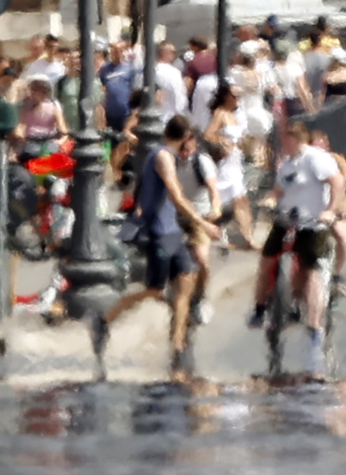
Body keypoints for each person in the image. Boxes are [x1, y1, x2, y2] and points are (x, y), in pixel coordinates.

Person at [100, 115, 221, 377]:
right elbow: (176, 196)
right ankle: (106, 319)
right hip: (159, 232)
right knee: (154, 290)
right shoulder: (163, 156)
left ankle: (177, 348)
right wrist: (203, 223)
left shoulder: (165, 155)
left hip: (172, 231)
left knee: (187, 279)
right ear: (186, 137)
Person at [247, 123, 345, 376]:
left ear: (294, 138)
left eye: (285, 138)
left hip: (313, 224)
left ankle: (315, 333)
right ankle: (260, 308)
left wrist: (330, 210)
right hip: (286, 221)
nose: (282, 143)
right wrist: (270, 200)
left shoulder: (315, 159)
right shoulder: (288, 164)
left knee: (312, 274)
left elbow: (337, 182)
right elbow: (279, 189)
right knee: (267, 259)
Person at [204, 84, 258, 249]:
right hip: (225, 166)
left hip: (236, 163)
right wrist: (222, 142)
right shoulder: (220, 114)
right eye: (234, 96)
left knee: (242, 200)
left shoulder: (234, 115)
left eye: (239, 96)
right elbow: (208, 134)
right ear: (226, 97)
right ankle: (203, 231)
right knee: (224, 202)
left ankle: (248, 237)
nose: (237, 99)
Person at [176, 132, 223, 322]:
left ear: (194, 147)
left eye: (187, 150)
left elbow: (213, 189)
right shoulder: (170, 160)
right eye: (181, 149)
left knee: (202, 259)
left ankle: (201, 297)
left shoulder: (201, 162)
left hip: (201, 217)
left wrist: (216, 208)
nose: (184, 154)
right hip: (177, 215)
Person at [309, 130, 346, 291]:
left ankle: (337, 273)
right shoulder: (303, 162)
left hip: (337, 207)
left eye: (321, 146)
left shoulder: (336, 160)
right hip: (312, 208)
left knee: (341, 236)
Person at [13, 75, 69, 160]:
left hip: (49, 142)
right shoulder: (23, 106)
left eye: (42, 91)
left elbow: (64, 130)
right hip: (30, 142)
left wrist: (59, 142)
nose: (36, 93)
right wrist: (21, 138)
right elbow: (19, 127)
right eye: (33, 89)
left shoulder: (53, 107)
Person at [99, 41, 137, 132]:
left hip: (126, 112)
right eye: (114, 51)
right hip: (110, 113)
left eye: (119, 51)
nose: (116, 54)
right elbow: (102, 86)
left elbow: (135, 89)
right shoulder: (105, 69)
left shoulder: (130, 69)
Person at [152, 41, 189, 116]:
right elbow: (179, 96)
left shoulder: (148, 71)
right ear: (165, 53)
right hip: (170, 116)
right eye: (173, 52)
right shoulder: (174, 73)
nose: (174, 55)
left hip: (153, 115)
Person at [302, 30, 332, 101]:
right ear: (320, 41)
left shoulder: (305, 56)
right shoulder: (326, 57)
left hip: (308, 91)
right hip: (321, 92)